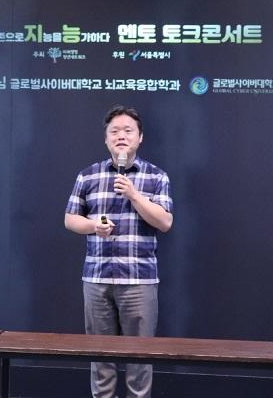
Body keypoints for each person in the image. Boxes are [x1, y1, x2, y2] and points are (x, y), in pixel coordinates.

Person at [64, 105, 173, 398]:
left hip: (139, 281)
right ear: (106, 139)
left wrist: (134, 194)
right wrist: (93, 226)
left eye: (127, 131)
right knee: (100, 357)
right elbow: (70, 219)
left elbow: (165, 222)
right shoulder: (88, 176)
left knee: (140, 358)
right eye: (114, 131)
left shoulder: (156, 176)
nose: (121, 136)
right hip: (97, 279)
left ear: (140, 137)